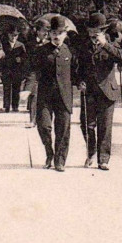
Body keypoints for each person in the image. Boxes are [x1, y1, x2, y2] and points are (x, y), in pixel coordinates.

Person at [77, 13, 122, 170]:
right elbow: (79, 67)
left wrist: (105, 45)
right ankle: (90, 152)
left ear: (103, 31)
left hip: (107, 92)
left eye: (97, 30)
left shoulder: (111, 43)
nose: (93, 33)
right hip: (89, 91)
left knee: (105, 127)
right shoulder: (83, 45)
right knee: (86, 125)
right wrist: (79, 81)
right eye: (91, 30)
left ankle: (103, 159)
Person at [32, 16, 77, 172]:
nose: (57, 36)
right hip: (46, 96)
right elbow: (32, 71)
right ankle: (49, 152)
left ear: (65, 34)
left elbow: (77, 71)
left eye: (60, 33)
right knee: (44, 126)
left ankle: (59, 160)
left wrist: (82, 82)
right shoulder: (40, 51)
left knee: (63, 128)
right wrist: (27, 88)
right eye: (54, 33)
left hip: (64, 96)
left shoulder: (70, 51)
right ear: (49, 34)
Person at [23, 18, 50, 128]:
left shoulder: (50, 44)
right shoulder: (30, 44)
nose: (46, 33)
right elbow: (28, 61)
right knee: (33, 96)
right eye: (44, 30)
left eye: (47, 31)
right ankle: (32, 120)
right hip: (34, 73)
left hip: (46, 74)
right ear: (38, 31)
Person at [0, 26, 27, 113]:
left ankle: (15, 106)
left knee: (16, 88)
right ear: (8, 35)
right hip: (6, 70)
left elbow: (25, 57)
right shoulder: (3, 45)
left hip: (17, 70)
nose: (13, 37)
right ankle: (6, 106)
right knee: (6, 88)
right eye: (12, 35)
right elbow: (0, 58)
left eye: (15, 35)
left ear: (18, 35)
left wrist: (21, 59)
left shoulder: (20, 45)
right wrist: (0, 70)